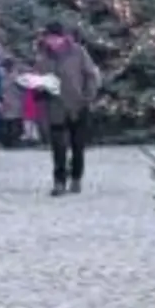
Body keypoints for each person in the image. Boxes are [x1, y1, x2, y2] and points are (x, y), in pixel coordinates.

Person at [36, 21, 102, 197]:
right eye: (48, 37)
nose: (50, 41)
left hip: (78, 105)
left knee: (77, 145)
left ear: (62, 37)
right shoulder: (43, 56)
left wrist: (88, 96)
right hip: (55, 106)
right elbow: (39, 78)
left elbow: (91, 75)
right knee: (58, 147)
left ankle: (76, 177)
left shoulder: (78, 52)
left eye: (53, 37)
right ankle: (59, 181)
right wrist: (39, 86)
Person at [0, 56, 26, 149]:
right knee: (9, 124)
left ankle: (11, 140)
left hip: (13, 103)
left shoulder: (14, 76)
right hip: (8, 103)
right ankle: (8, 141)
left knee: (12, 124)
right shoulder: (4, 76)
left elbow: (23, 88)